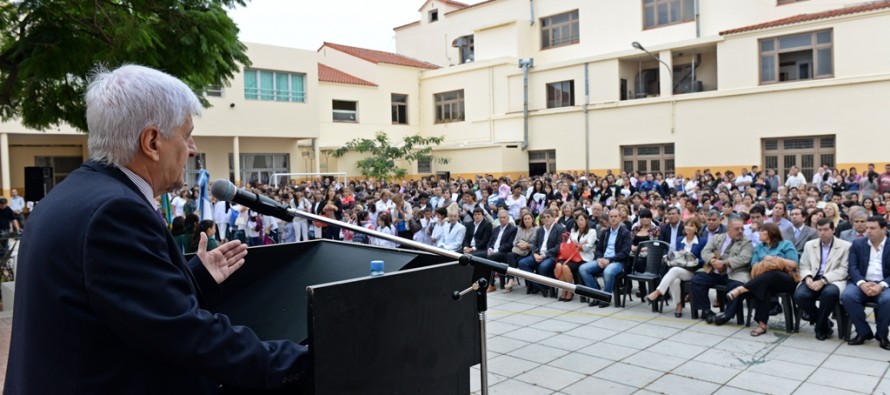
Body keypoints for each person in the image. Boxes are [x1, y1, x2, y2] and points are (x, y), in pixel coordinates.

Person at [4, 65, 309, 393]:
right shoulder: (115, 212)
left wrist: (195, 278)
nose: (192, 148)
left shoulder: (75, 194)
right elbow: (184, 335)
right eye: (186, 134)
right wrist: (300, 362)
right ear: (151, 141)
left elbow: (118, 303)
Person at [721, 223, 799, 336]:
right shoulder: (759, 247)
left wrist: (775, 259)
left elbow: (793, 264)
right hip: (764, 280)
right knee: (764, 287)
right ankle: (762, 325)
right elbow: (754, 266)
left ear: (770, 233)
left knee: (773, 274)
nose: (759, 234)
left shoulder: (786, 244)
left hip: (785, 279)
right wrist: (766, 264)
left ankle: (742, 289)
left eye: (762, 231)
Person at [794, 218, 851, 340]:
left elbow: (843, 270)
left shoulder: (845, 246)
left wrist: (823, 280)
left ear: (833, 230)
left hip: (833, 279)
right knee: (800, 296)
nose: (822, 233)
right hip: (813, 277)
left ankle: (820, 328)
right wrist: (808, 276)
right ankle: (824, 322)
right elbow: (803, 265)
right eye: (819, 230)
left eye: (826, 229)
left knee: (829, 293)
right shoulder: (810, 245)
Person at [691, 217, 754, 323]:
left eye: (742, 229)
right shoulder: (718, 237)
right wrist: (712, 260)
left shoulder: (746, 241)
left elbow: (744, 258)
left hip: (735, 272)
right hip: (715, 271)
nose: (740, 231)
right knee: (697, 280)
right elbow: (705, 251)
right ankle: (706, 311)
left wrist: (724, 263)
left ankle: (727, 315)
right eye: (737, 229)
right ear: (729, 229)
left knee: (737, 286)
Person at [841, 216, 890, 349]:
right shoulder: (858, 244)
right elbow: (852, 267)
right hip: (861, 282)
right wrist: (862, 283)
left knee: (888, 299)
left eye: (872, 228)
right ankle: (863, 332)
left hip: (885, 284)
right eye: (867, 227)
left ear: (884, 229)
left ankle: (882, 335)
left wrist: (881, 285)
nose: (868, 231)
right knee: (847, 296)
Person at [647, 217, 706, 318]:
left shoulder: (702, 241)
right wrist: (670, 256)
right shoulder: (680, 240)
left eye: (691, 226)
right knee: (675, 280)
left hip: (693, 270)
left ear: (696, 229)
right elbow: (676, 256)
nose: (688, 227)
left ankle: (657, 292)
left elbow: (703, 261)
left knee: (674, 271)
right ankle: (678, 305)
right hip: (680, 269)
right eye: (686, 225)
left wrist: (690, 256)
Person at [579, 209, 632, 308]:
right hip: (603, 259)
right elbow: (598, 249)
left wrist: (609, 260)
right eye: (611, 217)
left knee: (608, 272)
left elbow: (625, 252)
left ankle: (605, 297)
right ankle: (596, 295)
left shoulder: (625, 233)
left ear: (620, 218)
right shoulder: (605, 232)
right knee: (583, 268)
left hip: (617, 262)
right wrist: (599, 258)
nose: (613, 218)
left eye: (615, 216)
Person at [518, 208, 565, 296]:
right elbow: (534, 244)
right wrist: (535, 254)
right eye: (544, 217)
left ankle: (539, 287)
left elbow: (559, 247)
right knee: (522, 263)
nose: (546, 219)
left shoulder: (560, 229)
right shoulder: (540, 230)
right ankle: (540, 287)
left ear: (553, 217)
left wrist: (544, 255)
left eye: (548, 217)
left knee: (542, 266)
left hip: (551, 256)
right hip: (538, 254)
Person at [555, 212, 596, 302]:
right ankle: (564, 289)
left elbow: (587, 248)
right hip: (572, 256)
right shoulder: (574, 231)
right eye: (578, 220)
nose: (580, 222)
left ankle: (570, 291)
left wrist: (578, 245)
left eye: (582, 220)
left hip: (584, 258)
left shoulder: (592, 232)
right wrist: (580, 245)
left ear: (586, 220)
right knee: (558, 265)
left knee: (565, 267)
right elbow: (570, 245)